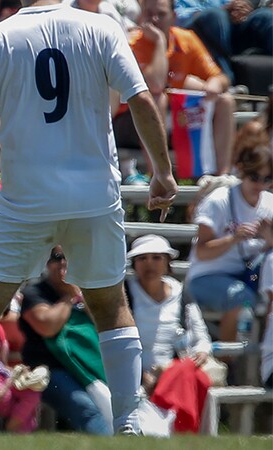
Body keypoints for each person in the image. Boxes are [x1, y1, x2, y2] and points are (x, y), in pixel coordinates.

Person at [0, 0, 177, 434]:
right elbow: (141, 98)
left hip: (26, 200)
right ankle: (129, 423)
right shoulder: (101, 27)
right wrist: (163, 173)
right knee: (110, 307)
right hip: (94, 196)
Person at [114, 0, 236, 177]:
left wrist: (215, 84)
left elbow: (220, 76)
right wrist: (159, 43)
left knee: (225, 100)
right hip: (134, 122)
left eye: (161, 14)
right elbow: (155, 85)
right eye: (149, 14)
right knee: (157, 99)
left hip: (179, 118)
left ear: (174, 17)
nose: (155, 19)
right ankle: (159, 175)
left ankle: (221, 176)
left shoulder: (186, 39)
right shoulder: (133, 44)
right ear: (141, 17)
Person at [125, 234, 215, 433]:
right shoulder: (125, 294)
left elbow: (202, 337)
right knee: (193, 378)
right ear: (134, 264)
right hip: (136, 374)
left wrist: (201, 351)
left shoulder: (181, 293)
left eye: (157, 258)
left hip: (174, 370)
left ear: (168, 263)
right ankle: (183, 429)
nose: (150, 264)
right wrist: (141, 376)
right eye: (142, 259)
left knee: (192, 375)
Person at [18, 247, 112, 435]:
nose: (63, 263)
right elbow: (47, 326)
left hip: (88, 368)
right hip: (48, 371)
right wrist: (69, 296)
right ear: (47, 262)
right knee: (87, 408)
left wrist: (85, 301)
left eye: (69, 257)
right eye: (57, 257)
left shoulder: (89, 291)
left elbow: (106, 326)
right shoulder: (35, 292)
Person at [185, 144, 273, 342]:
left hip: (250, 277)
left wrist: (269, 239)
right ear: (241, 171)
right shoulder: (218, 201)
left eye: (267, 179)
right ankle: (228, 362)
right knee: (241, 297)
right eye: (254, 177)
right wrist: (234, 238)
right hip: (206, 277)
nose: (260, 185)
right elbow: (202, 252)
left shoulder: (269, 203)